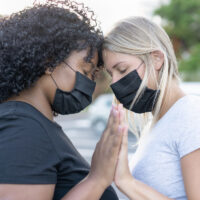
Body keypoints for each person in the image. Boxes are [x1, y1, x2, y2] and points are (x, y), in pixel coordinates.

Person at [0, 0, 127, 199]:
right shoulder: (23, 127)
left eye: (93, 76)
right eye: (85, 71)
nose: (89, 84)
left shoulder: (32, 123)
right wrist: (97, 179)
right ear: (49, 62)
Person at [102, 16, 200, 200]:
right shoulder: (155, 124)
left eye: (122, 69)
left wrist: (127, 182)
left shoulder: (191, 115)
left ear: (156, 59)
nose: (114, 83)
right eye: (110, 74)